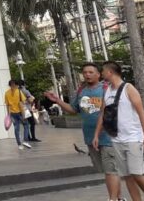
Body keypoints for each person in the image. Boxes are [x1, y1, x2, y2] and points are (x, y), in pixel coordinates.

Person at [46, 62, 122, 201]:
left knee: (111, 170)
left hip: (108, 137)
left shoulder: (106, 88)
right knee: (108, 171)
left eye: (91, 72)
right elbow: (73, 109)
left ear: (98, 74)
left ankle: (113, 199)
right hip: (90, 138)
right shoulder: (81, 91)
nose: (87, 75)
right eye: (85, 72)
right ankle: (118, 198)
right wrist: (57, 100)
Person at [95, 61, 144, 201]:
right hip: (117, 139)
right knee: (127, 176)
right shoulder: (107, 91)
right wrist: (96, 134)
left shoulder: (129, 88)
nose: (102, 74)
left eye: (103, 71)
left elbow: (141, 113)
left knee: (137, 173)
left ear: (110, 72)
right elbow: (103, 113)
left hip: (133, 137)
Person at [5, 79, 33, 149]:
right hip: (20, 112)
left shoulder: (7, 93)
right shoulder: (19, 92)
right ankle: (25, 141)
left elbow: (7, 105)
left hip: (12, 113)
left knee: (16, 128)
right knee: (26, 125)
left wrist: (8, 114)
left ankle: (19, 145)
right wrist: (23, 115)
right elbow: (22, 103)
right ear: (16, 85)